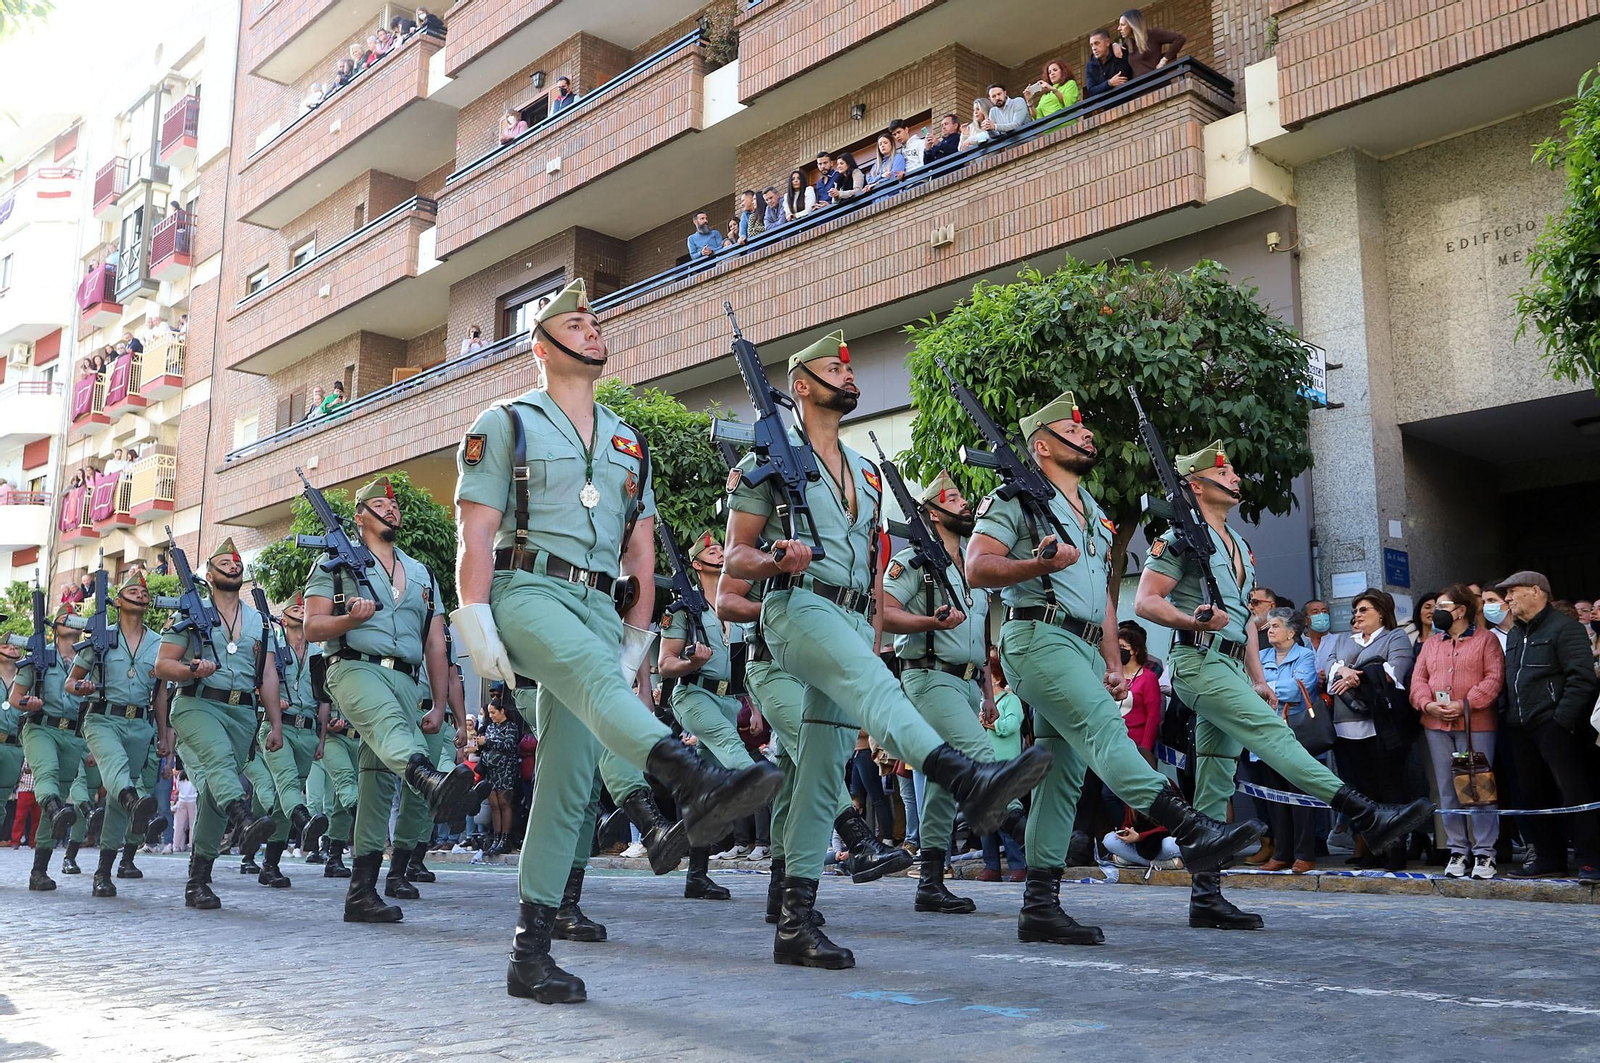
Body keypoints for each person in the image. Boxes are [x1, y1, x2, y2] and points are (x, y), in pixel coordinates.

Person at [453, 278, 781, 1003]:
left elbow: (641, 552)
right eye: (576, 323)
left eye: (596, 321)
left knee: (567, 782)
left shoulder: (629, 441)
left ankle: (530, 954)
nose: (593, 329)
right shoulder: (506, 423)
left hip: (602, 607)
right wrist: (474, 619)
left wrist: (636, 639)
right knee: (589, 676)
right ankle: (692, 778)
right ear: (542, 346)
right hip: (528, 588)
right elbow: (475, 530)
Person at [725, 329, 1051, 969]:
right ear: (801, 387)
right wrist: (775, 557)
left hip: (850, 618)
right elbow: (735, 557)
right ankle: (967, 775)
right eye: (834, 370)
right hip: (798, 607)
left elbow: (874, 578)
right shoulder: (768, 461)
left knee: (821, 774)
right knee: (873, 687)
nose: (849, 377)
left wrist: (875, 637)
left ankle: (794, 923)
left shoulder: (868, 472)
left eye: (850, 371)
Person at [970, 392, 1259, 944]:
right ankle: (1191, 827)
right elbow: (977, 566)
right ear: (1041, 446)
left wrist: (1111, 661)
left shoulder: (1094, 514)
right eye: (1072, 430)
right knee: (1104, 730)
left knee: (1060, 778)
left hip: (1080, 646)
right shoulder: (1016, 499)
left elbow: (1103, 597)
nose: (1086, 435)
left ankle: (1040, 906)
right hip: (1036, 636)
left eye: (1085, 430)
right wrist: (1036, 563)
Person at [1136, 443, 1433, 927]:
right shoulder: (1177, 539)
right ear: (1197, 486)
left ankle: (1206, 897)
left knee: (1215, 773)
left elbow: (1247, 622)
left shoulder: (1237, 543)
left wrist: (1257, 678)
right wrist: (1194, 619)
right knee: (1273, 735)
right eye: (1224, 472)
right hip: (1198, 661)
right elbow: (1146, 601)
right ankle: (1367, 815)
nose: (1235, 478)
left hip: (1231, 665)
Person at [303, 476, 471, 922]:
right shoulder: (333, 564)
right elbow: (313, 627)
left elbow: (435, 643)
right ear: (360, 517)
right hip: (354, 667)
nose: (391, 509)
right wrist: (347, 620)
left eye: (394, 505)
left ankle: (361, 893)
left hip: (407, 680)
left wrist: (439, 704)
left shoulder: (422, 573)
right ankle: (427, 779)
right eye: (380, 504)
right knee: (388, 726)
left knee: (376, 782)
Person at [882, 471, 1014, 913]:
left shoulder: (972, 566)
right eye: (953, 498)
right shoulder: (913, 562)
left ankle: (931, 883)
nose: (964, 504)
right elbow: (884, 610)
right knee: (980, 754)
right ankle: (1018, 823)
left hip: (965, 683)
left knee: (941, 784)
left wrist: (988, 693)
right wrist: (929, 623)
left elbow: (980, 637)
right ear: (933, 514)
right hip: (929, 676)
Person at [152, 541, 278, 908]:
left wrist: (275, 724)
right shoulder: (191, 613)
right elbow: (162, 665)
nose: (233, 566)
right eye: (224, 562)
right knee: (219, 760)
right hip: (197, 704)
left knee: (213, 793)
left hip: (241, 713)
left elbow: (268, 674)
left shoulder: (259, 621)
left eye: (237, 562)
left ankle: (198, 880)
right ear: (209, 575)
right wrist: (191, 669)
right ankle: (244, 819)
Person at [659, 531, 775, 899]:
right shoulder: (681, 610)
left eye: (721, 548)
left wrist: (753, 706)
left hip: (730, 701)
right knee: (729, 746)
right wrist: (690, 662)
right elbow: (665, 664)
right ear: (696, 564)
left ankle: (696, 876)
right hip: (693, 694)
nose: (720, 552)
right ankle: (762, 785)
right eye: (711, 550)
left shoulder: (734, 605)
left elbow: (744, 664)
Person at [65, 572, 168, 895]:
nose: (140, 594)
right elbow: (70, 682)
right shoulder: (101, 637)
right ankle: (133, 800)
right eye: (132, 591)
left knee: (117, 801)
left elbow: (160, 694)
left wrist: (164, 734)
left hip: (140, 725)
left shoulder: (160, 644)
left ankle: (103, 872)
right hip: (102, 718)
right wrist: (81, 687)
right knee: (116, 768)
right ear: (118, 601)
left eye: (144, 592)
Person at [1496, 572, 1599, 880]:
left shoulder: (1566, 628)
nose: (1507, 599)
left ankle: (1590, 860)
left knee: (1575, 793)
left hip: (1555, 726)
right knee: (1533, 794)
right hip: (1520, 726)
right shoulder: (1515, 634)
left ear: (1536, 591)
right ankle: (1548, 858)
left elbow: (1582, 678)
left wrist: (1560, 720)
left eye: (1512, 591)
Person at [1410, 584, 1503, 879]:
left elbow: (1493, 678)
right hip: (1436, 726)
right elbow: (1418, 680)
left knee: (1478, 787)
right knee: (1447, 789)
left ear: (1461, 610)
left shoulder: (1486, 640)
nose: (1437, 611)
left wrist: (1465, 704)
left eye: (1443, 606)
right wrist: (1427, 705)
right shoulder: (1431, 644)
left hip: (1475, 726)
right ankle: (1457, 850)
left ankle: (1485, 852)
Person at [241, 598, 330, 890]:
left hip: (307, 731)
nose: (301, 611)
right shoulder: (273, 648)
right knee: (287, 783)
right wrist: (270, 703)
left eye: (305, 608)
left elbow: (324, 700)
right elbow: (255, 683)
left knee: (282, 805)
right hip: (278, 727)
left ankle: (270, 866)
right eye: (295, 609)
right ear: (283, 617)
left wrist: (322, 738)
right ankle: (305, 822)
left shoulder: (318, 653)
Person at [1325, 588, 1417, 871]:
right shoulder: (1342, 639)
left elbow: (1394, 673)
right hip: (1345, 727)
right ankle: (1374, 848)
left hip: (1381, 727)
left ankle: (1397, 849)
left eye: (1364, 609)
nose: (1357, 615)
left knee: (1390, 789)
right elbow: (1329, 670)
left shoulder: (1395, 637)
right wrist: (1343, 671)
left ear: (1381, 612)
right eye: (1355, 610)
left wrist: (1356, 675)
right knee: (1363, 792)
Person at [11, 608, 92, 890]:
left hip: (73, 734)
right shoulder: (40, 656)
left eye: (75, 618)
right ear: (54, 627)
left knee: (55, 803)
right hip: (40, 727)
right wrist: (28, 703)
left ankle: (39, 871)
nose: (71, 622)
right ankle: (56, 810)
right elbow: (15, 697)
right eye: (65, 619)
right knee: (47, 775)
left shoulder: (90, 658)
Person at [1255, 608, 1322, 873]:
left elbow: (1297, 689)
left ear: (1291, 632)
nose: (1270, 630)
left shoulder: (1305, 655)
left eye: (1275, 626)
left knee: (1300, 794)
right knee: (1275, 796)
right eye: (1269, 626)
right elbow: (1248, 684)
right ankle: (1281, 853)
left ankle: (1304, 854)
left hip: (1296, 733)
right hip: (1265, 733)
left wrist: (1265, 687)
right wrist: (1265, 687)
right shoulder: (1260, 656)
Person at [480, 688, 520, 855]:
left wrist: (487, 742)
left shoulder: (511, 727)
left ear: (502, 711)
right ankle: (496, 838)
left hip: (505, 770)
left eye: (493, 712)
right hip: (491, 771)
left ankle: (505, 838)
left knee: (505, 804)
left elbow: (509, 744)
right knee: (494, 805)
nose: (491, 716)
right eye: (489, 713)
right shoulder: (490, 728)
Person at [1116, 622, 1161, 757]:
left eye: (1122, 647)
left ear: (1135, 650)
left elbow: (1153, 716)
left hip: (1134, 745)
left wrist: (1145, 749)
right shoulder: (1113, 675)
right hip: (1111, 740)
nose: (1118, 651)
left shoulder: (1148, 678)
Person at [0, 636, 27, 845]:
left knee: (1, 801)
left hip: (15, 748)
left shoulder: (27, 681)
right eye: (5, 645)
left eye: (16, 646)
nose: (12, 648)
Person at [1116, 8, 1186, 76]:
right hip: (1142, 83)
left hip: (1158, 81)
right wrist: (1115, 45)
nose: (1119, 28)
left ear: (1133, 24)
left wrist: (1164, 60)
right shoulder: (1128, 44)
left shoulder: (1152, 34)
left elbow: (1180, 39)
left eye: (1123, 25)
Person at [1084, 28, 1134, 97]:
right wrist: (1109, 83)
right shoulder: (1090, 66)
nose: (1094, 48)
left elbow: (1121, 80)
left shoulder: (1119, 54)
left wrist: (1101, 88)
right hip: (1106, 103)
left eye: (1097, 43)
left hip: (1126, 98)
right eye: (1091, 45)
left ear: (1107, 42)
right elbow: (1091, 90)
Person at [172, 770, 198, 851]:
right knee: (193, 825)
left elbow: (178, 787)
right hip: (193, 800)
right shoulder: (195, 774)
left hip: (182, 800)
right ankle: (192, 845)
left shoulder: (180, 775)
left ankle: (177, 845)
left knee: (179, 825)